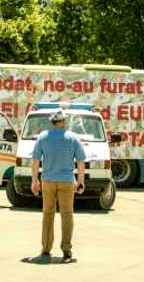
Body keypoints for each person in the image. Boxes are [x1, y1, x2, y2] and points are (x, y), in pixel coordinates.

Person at [29, 109, 86, 264]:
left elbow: (35, 161)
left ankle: (46, 249)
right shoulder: (73, 138)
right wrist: (80, 181)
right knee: (67, 215)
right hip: (67, 181)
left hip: (47, 180)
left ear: (52, 122)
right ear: (63, 122)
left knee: (48, 214)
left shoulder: (43, 137)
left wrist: (34, 180)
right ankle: (67, 252)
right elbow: (81, 162)